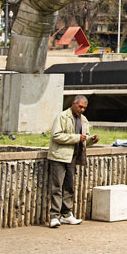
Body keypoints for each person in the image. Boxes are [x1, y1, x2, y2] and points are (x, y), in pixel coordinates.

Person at [47, 95, 98, 228]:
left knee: (69, 187)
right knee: (57, 187)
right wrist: (77, 138)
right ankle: (54, 216)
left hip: (73, 157)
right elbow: (56, 136)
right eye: (80, 106)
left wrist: (90, 140)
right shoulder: (62, 116)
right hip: (59, 156)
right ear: (73, 104)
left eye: (84, 108)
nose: (82, 110)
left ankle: (67, 214)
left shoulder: (84, 120)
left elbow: (83, 139)